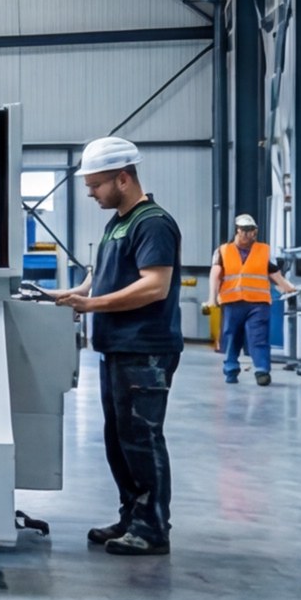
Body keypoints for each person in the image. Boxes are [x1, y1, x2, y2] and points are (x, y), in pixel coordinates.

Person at [49, 135, 182, 555]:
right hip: (118, 349)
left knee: (142, 437)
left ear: (123, 178)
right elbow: (100, 279)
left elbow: (155, 286)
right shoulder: (117, 223)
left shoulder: (152, 222)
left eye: (96, 185)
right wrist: (65, 295)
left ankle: (152, 529)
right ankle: (132, 517)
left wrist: (91, 305)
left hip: (145, 349)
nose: (90, 193)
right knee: (119, 437)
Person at [212, 211, 278, 385]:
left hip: (258, 302)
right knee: (232, 336)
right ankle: (231, 370)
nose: (248, 234)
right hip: (232, 302)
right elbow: (215, 275)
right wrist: (212, 298)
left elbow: (274, 272)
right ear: (237, 230)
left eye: (251, 230)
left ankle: (262, 371)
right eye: (244, 230)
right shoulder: (222, 251)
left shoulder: (264, 250)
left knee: (259, 337)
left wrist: (287, 287)